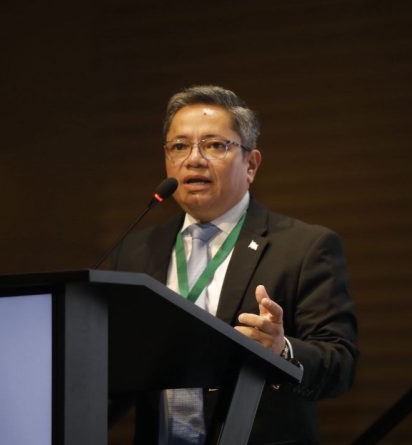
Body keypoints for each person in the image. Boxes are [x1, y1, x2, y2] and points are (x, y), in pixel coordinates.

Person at [111, 85, 358, 444]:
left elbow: (340, 363)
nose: (193, 159)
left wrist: (281, 350)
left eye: (214, 145)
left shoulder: (304, 247)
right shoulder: (135, 250)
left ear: (251, 164)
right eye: (179, 146)